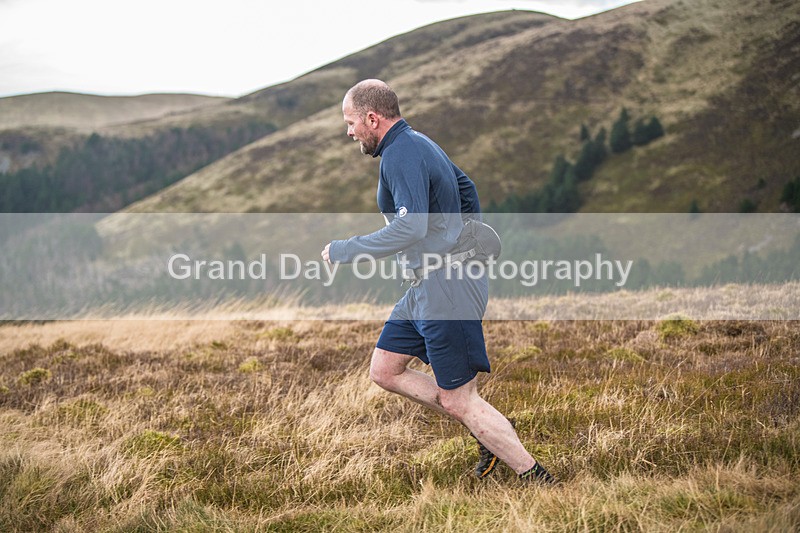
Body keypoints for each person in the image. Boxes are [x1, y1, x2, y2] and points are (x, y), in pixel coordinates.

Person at [321, 79, 554, 484]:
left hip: (447, 288)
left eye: (351, 122)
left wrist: (346, 250)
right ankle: (487, 426)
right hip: (427, 285)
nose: (349, 132)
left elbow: (410, 227)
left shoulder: (402, 153)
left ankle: (535, 476)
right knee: (385, 369)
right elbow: (468, 189)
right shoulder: (419, 144)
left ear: (372, 118)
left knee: (459, 399)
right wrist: (467, 240)